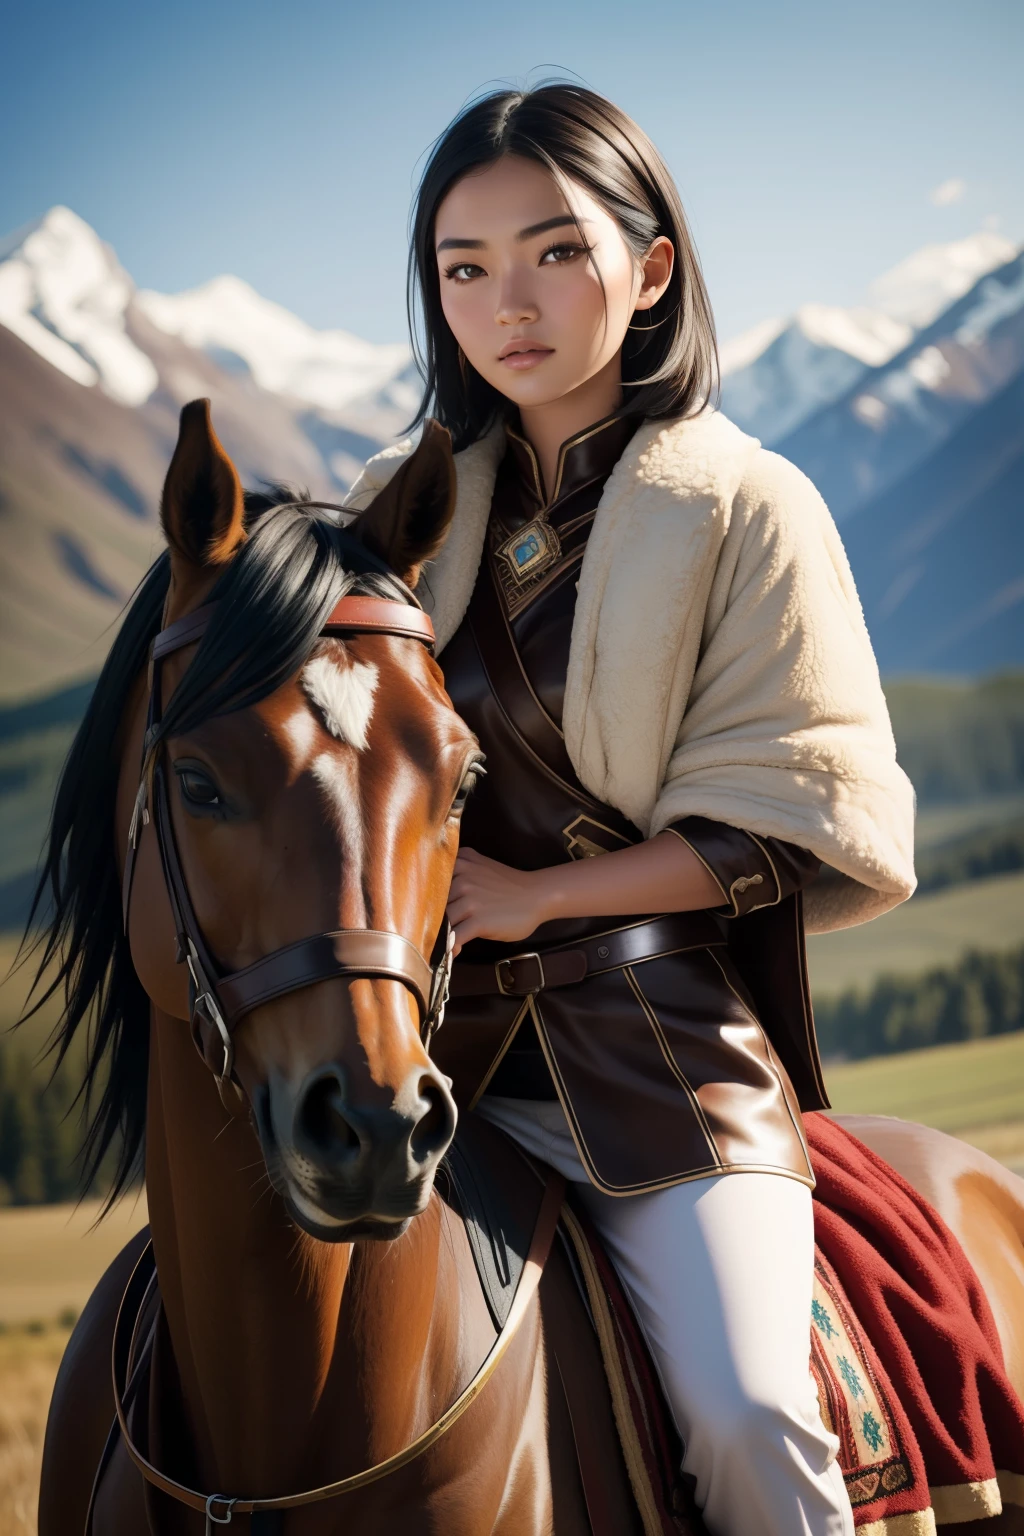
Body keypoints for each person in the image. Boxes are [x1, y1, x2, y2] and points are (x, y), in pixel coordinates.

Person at [345, 84, 916, 1536]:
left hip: (662, 1067)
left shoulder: (746, 505)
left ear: (651, 268)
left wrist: (537, 898)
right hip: (432, 1069)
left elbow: (790, 820)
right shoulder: (394, 510)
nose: (504, 304)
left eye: (552, 252)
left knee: (747, 1413)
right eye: (462, 269)